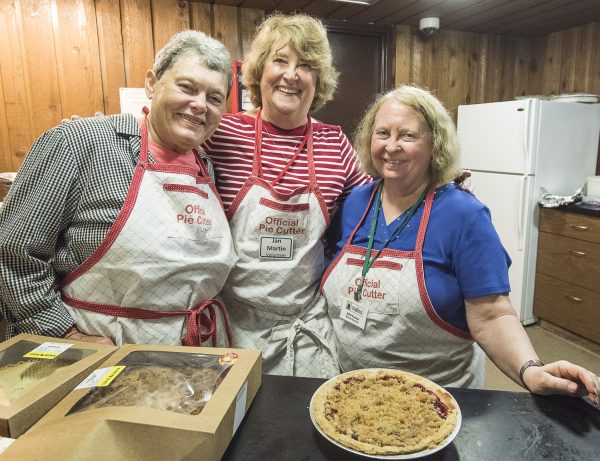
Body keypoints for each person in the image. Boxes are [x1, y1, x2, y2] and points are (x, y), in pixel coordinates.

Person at [320, 84, 600, 401]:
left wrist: (530, 368)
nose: (392, 146)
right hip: (351, 387)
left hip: (433, 398)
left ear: (434, 145)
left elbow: (492, 315)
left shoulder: (465, 216)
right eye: (382, 133)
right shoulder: (356, 202)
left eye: (408, 135)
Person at [0, 30, 236, 348]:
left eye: (214, 97)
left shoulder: (206, 167)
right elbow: (13, 253)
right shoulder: (81, 142)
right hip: (98, 355)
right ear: (152, 83)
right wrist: (65, 333)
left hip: (193, 356)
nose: (199, 105)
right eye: (187, 87)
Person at [202, 13, 371, 378]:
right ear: (260, 71)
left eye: (306, 66)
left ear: (318, 80)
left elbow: (377, 204)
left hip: (305, 323)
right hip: (234, 324)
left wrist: (431, 185)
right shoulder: (222, 134)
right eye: (280, 60)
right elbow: (162, 146)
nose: (291, 75)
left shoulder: (334, 143)